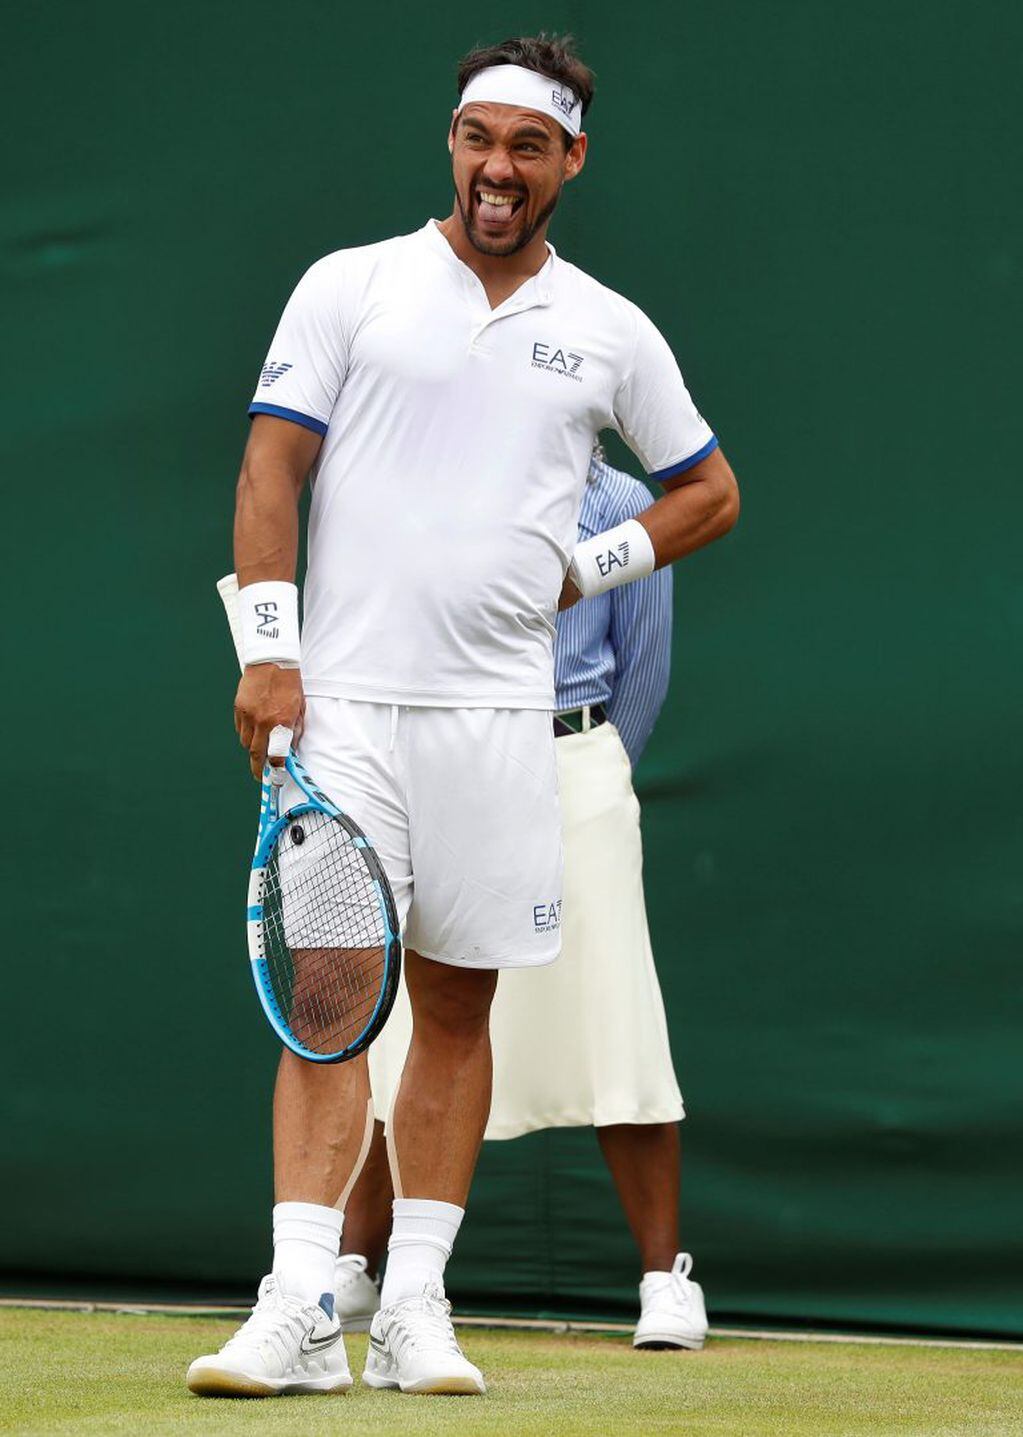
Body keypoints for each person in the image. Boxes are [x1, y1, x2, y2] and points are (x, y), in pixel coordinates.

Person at [187, 32, 738, 1400]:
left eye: (527, 148)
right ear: (452, 142)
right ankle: (297, 1306)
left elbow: (705, 491)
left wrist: (582, 564)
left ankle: (416, 1309)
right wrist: (269, 651)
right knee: (327, 1002)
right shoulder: (352, 286)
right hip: (350, 716)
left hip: (500, 728)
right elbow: (270, 465)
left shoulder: (608, 329)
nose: (497, 170)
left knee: (452, 1009)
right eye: (477, 140)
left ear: (569, 161)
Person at [335, 449, 709, 1352]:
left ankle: (665, 1281)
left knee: (617, 1015)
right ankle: (351, 1267)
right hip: (443, 760)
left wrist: (583, 760)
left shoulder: (624, 505)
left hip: (573, 766)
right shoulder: (433, 477)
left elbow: (641, 675)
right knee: (400, 1026)